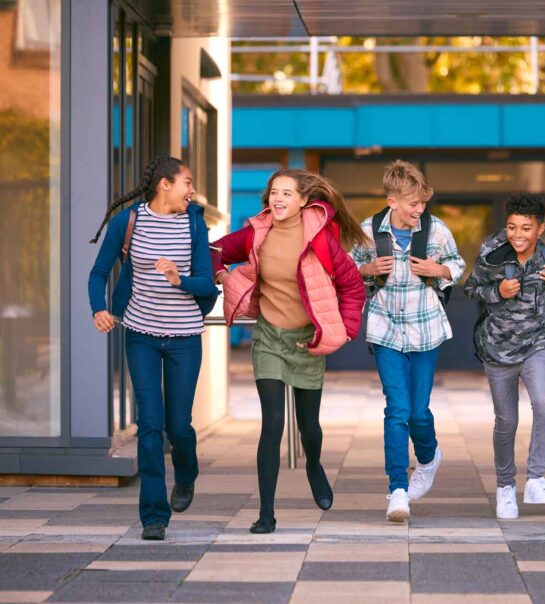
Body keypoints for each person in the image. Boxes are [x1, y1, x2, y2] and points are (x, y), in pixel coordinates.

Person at [211, 169, 366, 533]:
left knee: (309, 426)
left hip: (306, 341)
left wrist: (340, 333)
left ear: (302, 201)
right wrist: (223, 277)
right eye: (273, 193)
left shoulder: (322, 239)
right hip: (269, 339)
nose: (278, 199)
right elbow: (215, 250)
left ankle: (313, 465)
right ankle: (266, 513)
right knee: (273, 425)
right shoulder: (256, 233)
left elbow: (353, 287)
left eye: (286, 193)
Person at [88, 156, 219, 541]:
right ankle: (153, 516)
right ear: (165, 184)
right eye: (187, 183)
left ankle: (187, 473)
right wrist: (99, 308)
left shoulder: (193, 223)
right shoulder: (128, 222)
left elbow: (207, 285)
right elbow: (99, 272)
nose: (191, 191)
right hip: (141, 335)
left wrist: (180, 280)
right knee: (149, 425)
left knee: (178, 425)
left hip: (184, 339)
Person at [350, 160, 465, 523]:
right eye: (413, 203)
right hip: (385, 329)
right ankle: (398, 488)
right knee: (396, 409)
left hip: (426, 329)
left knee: (418, 412)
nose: (420, 210)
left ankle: (429, 456)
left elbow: (458, 265)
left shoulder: (436, 231)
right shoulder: (368, 231)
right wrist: (366, 270)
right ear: (392, 201)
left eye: (423, 203)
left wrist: (440, 270)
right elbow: (347, 270)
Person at [464, 194, 545, 520]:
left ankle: (537, 478)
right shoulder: (491, 255)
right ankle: (505, 487)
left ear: (540, 228)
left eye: (526, 228)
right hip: (497, 349)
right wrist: (497, 292)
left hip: (536, 345)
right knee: (506, 422)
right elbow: (471, 289)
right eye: (512, 227)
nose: (518, 235)